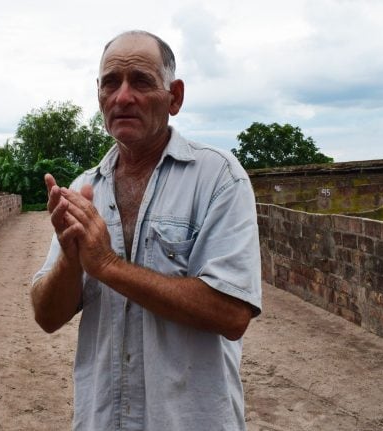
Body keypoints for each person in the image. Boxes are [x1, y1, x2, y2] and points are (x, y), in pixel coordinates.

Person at [31, 30, 262, 430]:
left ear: (174, 97)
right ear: (99, 96)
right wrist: (71, 259)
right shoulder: (87, 187)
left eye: (140, 81)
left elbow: (232, 311)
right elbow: (47, 316)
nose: (122, 97)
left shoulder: (218, 178)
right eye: (110, 83)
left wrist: (105, 264)